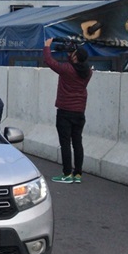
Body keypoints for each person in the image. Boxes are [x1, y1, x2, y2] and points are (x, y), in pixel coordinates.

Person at [44, 38, 92, 184]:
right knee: (77, 142)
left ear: (75, 56)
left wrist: (47, 46)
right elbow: (76, 64)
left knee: (65, 143)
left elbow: (50, 61)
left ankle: (66, 173)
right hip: (79, 111)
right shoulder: (88, 72)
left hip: (65, 110)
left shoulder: (67, 69)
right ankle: (78, 173)